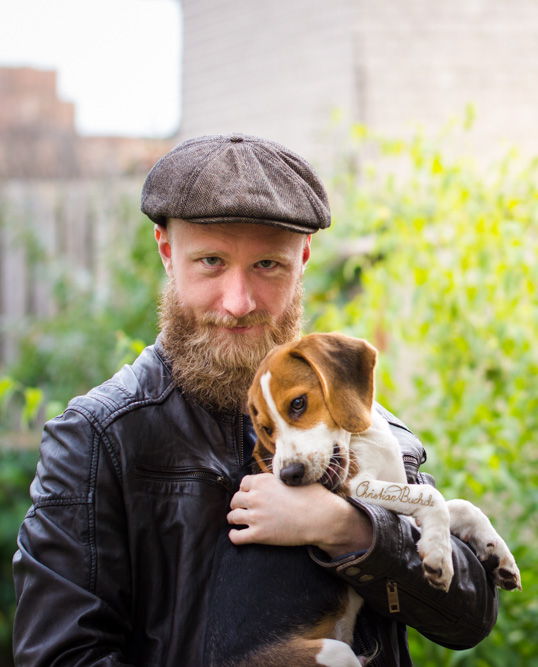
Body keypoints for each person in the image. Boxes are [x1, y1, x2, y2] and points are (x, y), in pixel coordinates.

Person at [12, 133, 498, 665]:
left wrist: (348, 528)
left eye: (268, 265)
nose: (239, 302)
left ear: (303, 259)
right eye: (211, 261)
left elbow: (467, 619)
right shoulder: (98, 438)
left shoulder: (356, 417)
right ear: (167, 253)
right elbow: (60, 656)